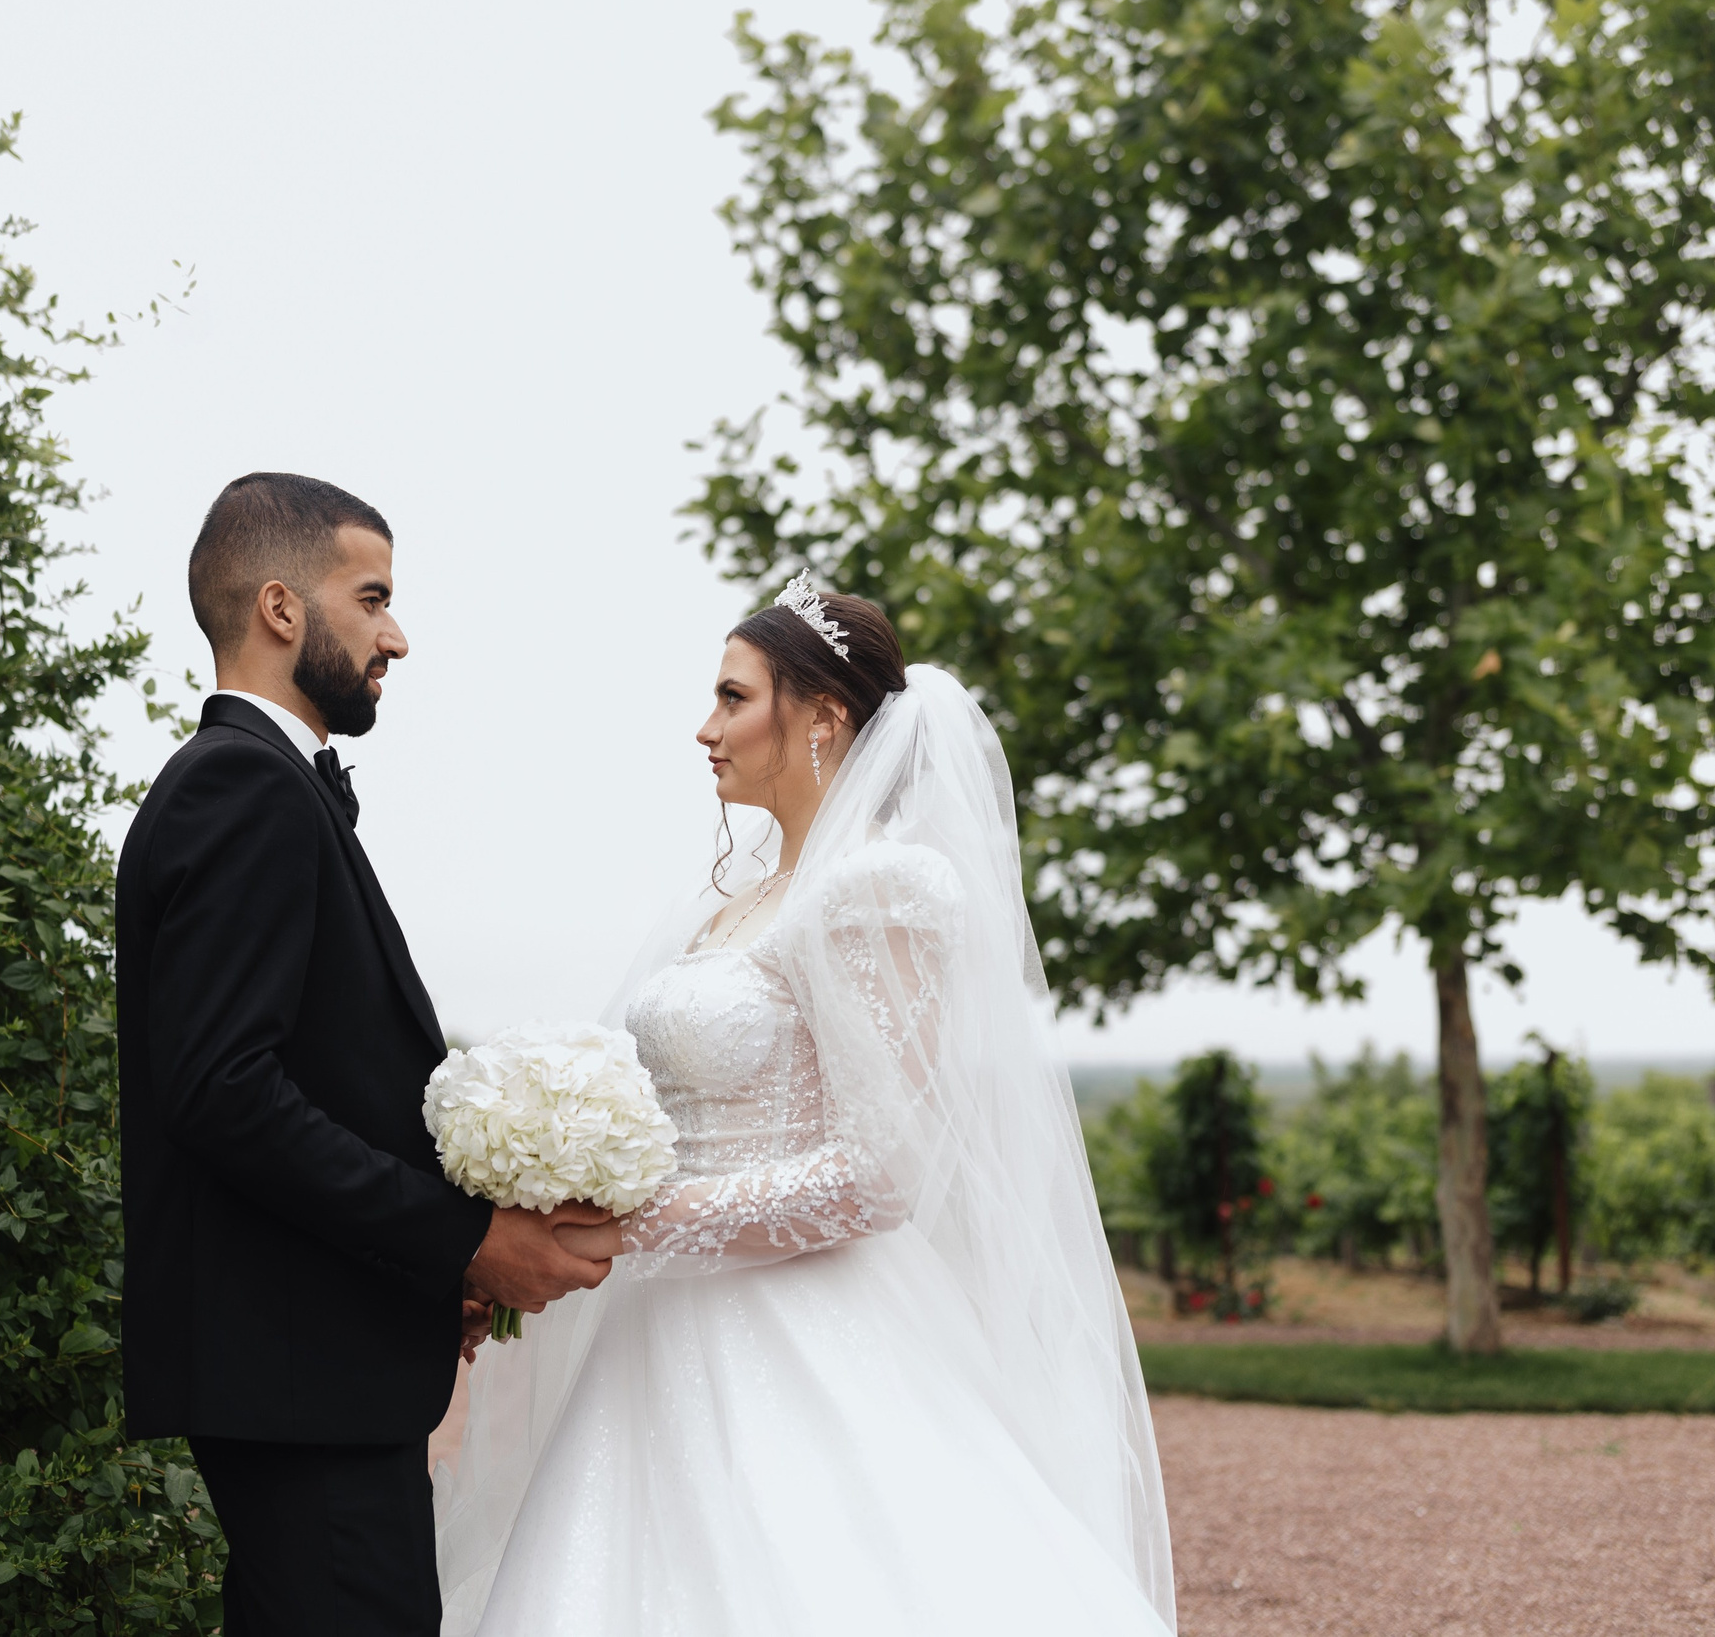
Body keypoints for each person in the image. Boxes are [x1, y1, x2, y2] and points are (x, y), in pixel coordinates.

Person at [433, 579, 1178, 1635]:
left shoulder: (879, 888)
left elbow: (883, 1172)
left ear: (823, 714)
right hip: (660, 1337)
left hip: (809, 1328)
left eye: (733, 698)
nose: (705, 728)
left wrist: (635, 1228)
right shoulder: (732, 904)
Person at [117, 472, 613, 1636]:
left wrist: (422, 1276)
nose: (398, 635)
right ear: (282, 609)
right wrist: (469, 1240)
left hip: (313, 1366)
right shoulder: (244, 788)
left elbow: (324, 1079)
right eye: (373, 597)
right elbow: (226, 1093)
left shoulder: (265, 788)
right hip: (298, 1380)